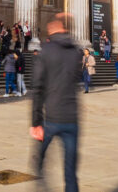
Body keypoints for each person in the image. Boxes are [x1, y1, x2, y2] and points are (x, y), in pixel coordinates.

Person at [31, 13, 84, 192]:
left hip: (52, 117)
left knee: (39, 156)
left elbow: (38, 88)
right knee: (70, 172)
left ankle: (39, 176)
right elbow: (77, 77)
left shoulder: (46, 50)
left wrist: (36, 122)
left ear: (54, 27)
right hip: (72, 117)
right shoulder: (76, 51)